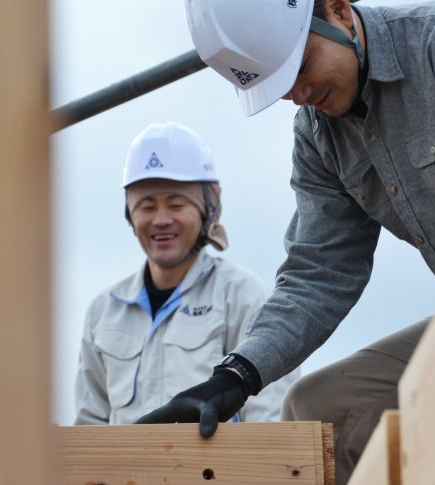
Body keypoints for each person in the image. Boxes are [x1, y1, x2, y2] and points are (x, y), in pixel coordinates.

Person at [138, 0, 435, 482]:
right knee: (319, 408)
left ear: (338, 10)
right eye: (281, 88)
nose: (299, 95)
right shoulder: (318, 137)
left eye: (299, 68)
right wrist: (235, 376)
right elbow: (320, 275)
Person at [74, 121, 298, 425]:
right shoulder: (104, 311)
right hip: (124, 474)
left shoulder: (242, 295)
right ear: (130, 215)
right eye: (146, 206)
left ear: (208, 210)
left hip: (216, 474)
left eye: (177, 204)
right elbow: (90, 425)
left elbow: (268, 420)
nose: (161, 220)